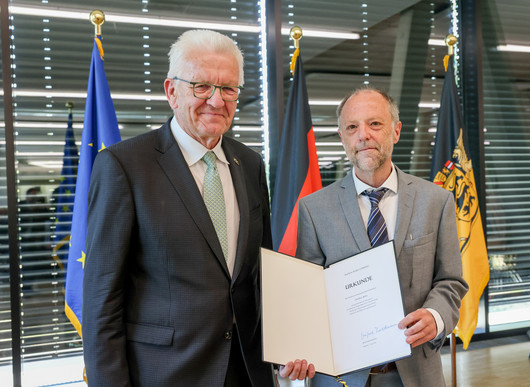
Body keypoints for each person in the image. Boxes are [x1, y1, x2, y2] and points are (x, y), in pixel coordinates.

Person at [82, 29, 278, 386]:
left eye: (228, 88)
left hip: (248, 371)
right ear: (172, 92)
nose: (217, 101)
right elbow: (101, 300)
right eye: (201, 86)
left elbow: (261, 273)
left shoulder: (251, 165)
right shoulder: (124, 166)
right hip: (165, 373)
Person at [287, 86, 469, 386]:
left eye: (375, 124)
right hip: (340, 377)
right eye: (352, 127)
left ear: (396, 131)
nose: (363, 135)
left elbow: (451, 281)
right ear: (342, 137)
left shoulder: (436, 201)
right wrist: (293, 351)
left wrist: (435, 317)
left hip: (416, 374)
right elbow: (307, 298)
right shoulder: (312, 209)